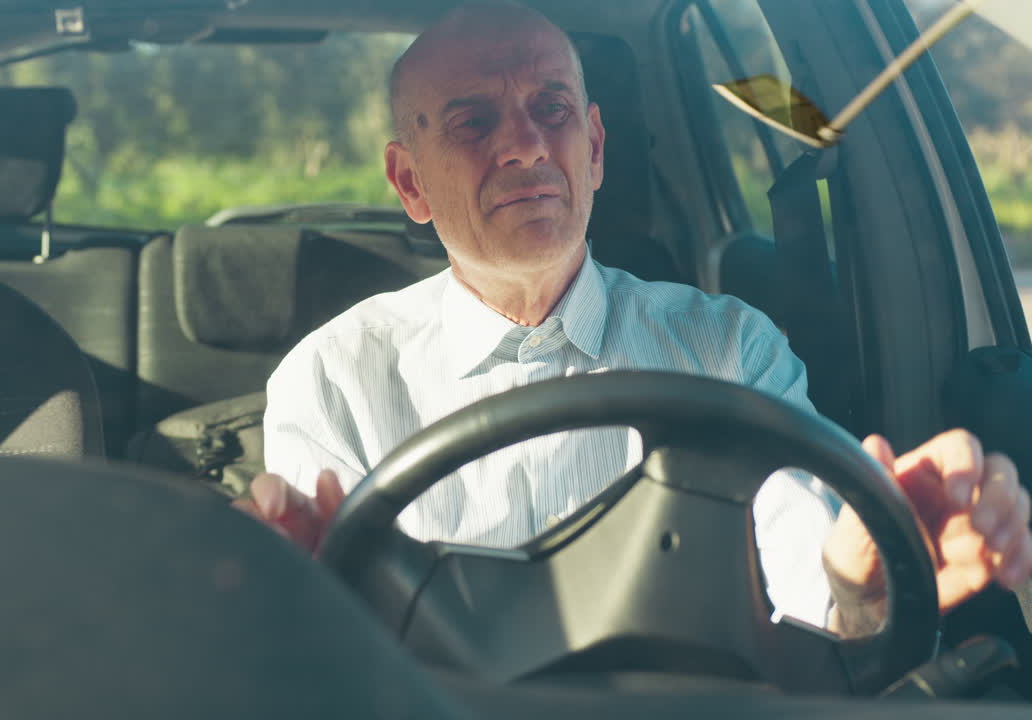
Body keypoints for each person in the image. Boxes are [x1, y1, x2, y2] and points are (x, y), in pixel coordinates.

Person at [233, 2, 1032, 635]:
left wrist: (859, 584)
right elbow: (328, 643)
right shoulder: (331, 377)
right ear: (408, 182)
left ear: (595, 147)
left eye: (552, 107)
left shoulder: (728, 350)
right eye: (473, 122)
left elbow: (810, 586)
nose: (525, 146)